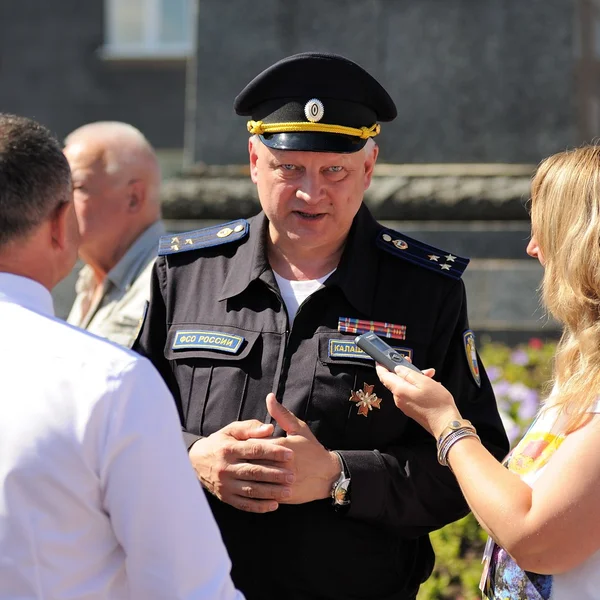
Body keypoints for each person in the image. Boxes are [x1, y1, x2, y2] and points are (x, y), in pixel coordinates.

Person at [134, 52, 509, 600]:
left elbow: (474, 467)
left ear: (369, 167)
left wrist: (339, 477)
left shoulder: (425, 291)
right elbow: (124, 424)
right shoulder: (185, 275)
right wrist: (192, 457)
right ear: (254, 161)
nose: (312, 193)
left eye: (334, 170)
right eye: (290, 169)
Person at [0, 113, 244, 599]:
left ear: (134, 196)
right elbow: (189, 588)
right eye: (66, 197)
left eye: (80, 188)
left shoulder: (177, 289)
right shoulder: (109, 378)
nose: (73, 209)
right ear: (56, 223)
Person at [376, 144, 600, 600]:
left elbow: (535, 538)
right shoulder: (584, 367)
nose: (533, 248)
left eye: (545, 230)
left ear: (582, 241)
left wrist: (447, 424)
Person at [64, 121, 165, 347]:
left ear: (133, 198)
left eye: (78, 187)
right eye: (59, 188)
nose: (60, 202)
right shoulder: (90, 278)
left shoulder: (166, 285)